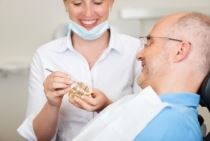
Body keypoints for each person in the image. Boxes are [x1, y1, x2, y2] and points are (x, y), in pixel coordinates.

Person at [72, 12, 210, 141]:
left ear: (179, 51)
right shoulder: (153, 108)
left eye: (149, 43)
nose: (139, 55)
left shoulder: (173, 124)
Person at [17, 0, 141, 140]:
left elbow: (145, 121)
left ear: (111, 3)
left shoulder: (136, 50)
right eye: (77, 3)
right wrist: (52, 104)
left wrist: (106, 106)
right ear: (65, 4)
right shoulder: (45, 55)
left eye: (97, 2)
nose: (88, 13)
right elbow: (40, 138)